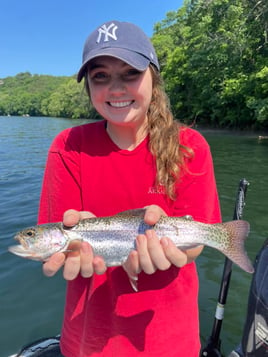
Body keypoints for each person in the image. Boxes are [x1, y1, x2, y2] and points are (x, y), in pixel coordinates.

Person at [38, 20, 221, 357]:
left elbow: (199, 239)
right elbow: (57, 241)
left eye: (130, 74)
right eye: (101, 77)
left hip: (169, 339)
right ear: (89, 87)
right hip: (87, 339)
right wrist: (68, 247)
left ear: (154, 78)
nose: (116, 88)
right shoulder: (68, 146)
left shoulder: (190, 146)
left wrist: (167, 247)